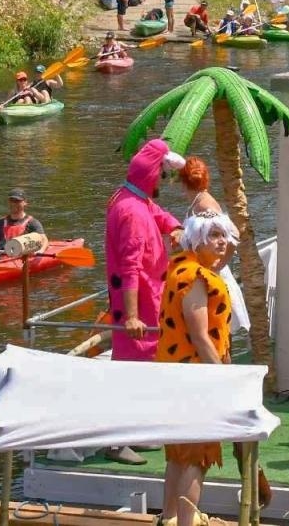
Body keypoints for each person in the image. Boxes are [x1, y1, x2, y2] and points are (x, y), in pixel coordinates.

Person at [103, 139, 186, 465]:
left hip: (150, 297)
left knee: (145, 368)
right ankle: (114, 441)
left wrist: (175, 227)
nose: (163, 183)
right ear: (152, 174)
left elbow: (158, 212)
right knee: (128, 373)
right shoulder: (132, 213)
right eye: (162, 177)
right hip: (136, 306)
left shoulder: (133, 198)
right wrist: (133, 317)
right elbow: (130, 267)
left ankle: (134, 432)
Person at [157, 211, 243, 526]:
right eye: (214, 236)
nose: (222, 243)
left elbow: (232, 245)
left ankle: (168, 519)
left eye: (223, 235)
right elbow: (199, 335)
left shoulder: (180, 266)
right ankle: (185, 522)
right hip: (195, 376)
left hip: (176, 374)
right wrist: (222, 377)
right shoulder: (196, 277)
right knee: (197, 455)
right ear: (197, 240)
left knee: (178, 452)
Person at [176, 156, 249, 334]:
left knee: (217, 332)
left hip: (211, 275)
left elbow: (234, 234)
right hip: (200, 273)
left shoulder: (204, 204)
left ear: (182, 181)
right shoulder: (197, 201)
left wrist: (218, 264)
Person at [0, 190, 45, 260]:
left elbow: (43, 239)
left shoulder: (32, 223)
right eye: (11, 200)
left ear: (25, 203)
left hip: (16, 259)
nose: (14, 203)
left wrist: (39, 252)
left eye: (17, 201)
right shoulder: (1, 222)